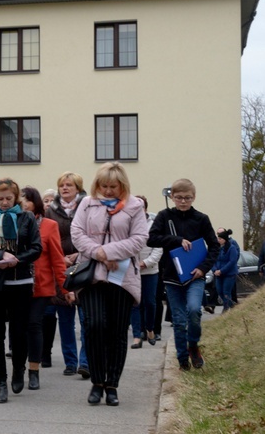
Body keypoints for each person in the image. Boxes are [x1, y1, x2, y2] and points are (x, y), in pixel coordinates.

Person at [71, 162, 148, 407]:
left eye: (113, 186)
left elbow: (139, 239)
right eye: (103, 186)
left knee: (116, 332)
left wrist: (109, 251)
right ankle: (96, 381)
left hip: (122, 278)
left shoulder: (135, 207)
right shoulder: (87, 203)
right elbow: (77, 233)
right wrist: (99, 253)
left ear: (122, 185)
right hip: (92, 274)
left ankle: (112, 384)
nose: (107, 191)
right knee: (93, 326)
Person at [0, 178, 41, 403]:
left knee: (19, 333)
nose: (4, 203)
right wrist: (0, 255)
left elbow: (36, 248)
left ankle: (18, 370)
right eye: (0, 199)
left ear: (16, 198)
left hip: (20, 282)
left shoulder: (27, 218)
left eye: (8, 199)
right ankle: (0, 381)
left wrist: (17, 260)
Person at [148, 178, 219, 371]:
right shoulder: (164, 216)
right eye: (179, 198)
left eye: (187, 198)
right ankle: (182, 360)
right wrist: (177, 240)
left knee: (195, 311)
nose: (183, 201)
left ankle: (193, 345)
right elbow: (151, 239)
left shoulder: (201, 219)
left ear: (194, 197)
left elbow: (214, 246)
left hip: (195, 276)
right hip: (172, 277)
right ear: (172, 197)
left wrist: (203, 268)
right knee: (178, 321)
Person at [20, 186, 66, 392]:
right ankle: (18, 369)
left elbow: (57, 259)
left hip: (41, 284)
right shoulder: (13, 222)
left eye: (27, 200)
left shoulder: (49, 225)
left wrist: (65, 288)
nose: (24, 204)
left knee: (34, 325)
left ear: (36, 202)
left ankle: (34, 371)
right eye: (21, 200)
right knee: (18, 328)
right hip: (17, 284)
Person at [43, 172, 89, 378]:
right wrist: (61, 258)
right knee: (65, 318)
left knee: (86, 318)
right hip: (60, 266)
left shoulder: (88, 207)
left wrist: (78, 254)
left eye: (69, 185)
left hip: (84, 264)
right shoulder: (50, 211)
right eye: (62, 185)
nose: (64, 188)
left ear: (78, 188)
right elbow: (47, 238)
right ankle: (70, 361)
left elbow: (92, 235)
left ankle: (85, 361)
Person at [129, 195, 163, 349]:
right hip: (132, 271)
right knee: (135, 303)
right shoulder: (127, 224)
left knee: (149, 302)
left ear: (145, 209)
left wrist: (146, 263)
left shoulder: (154, 225)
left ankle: (150, 329)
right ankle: (137, 336)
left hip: (150, 271)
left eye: (140, 207)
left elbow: (158, 249)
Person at [213, 228, 239, 312]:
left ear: (224, 239)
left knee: (226, 292)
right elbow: (213, 260)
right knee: (219, 291)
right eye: (218, 238)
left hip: (229, 274)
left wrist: (222, 270)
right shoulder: (217, 248)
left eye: (220, 239)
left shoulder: (231, 248)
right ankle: (232, 305)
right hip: (218, 274)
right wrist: (215, 270)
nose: (218, 240)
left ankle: (225, 309)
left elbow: (232, 261)